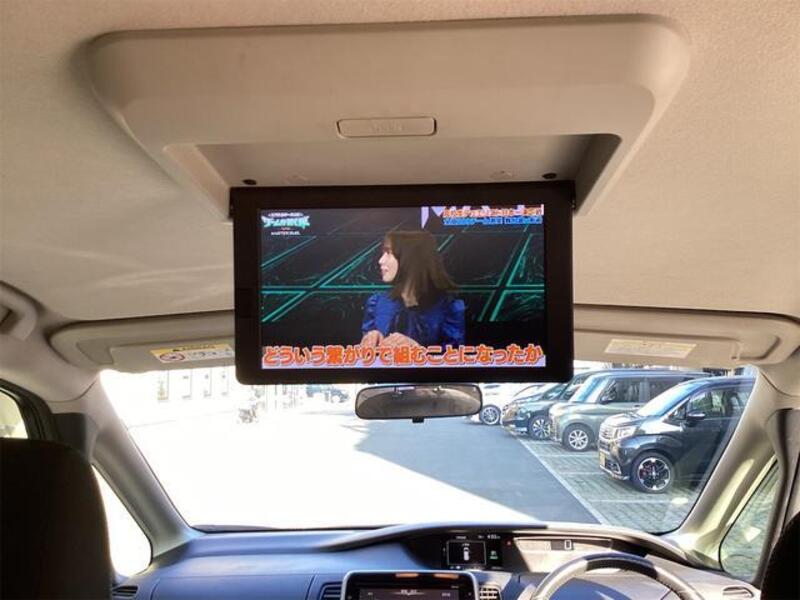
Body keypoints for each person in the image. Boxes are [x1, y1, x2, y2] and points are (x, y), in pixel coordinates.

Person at [361, 230, 465, 348]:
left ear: (410, 257)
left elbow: (455, 354)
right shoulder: (376, 303)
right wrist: (371, 340)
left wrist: (417, 351)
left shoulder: (449, 307)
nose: (381, 261)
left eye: (389, 253)